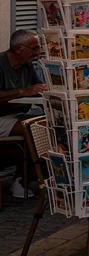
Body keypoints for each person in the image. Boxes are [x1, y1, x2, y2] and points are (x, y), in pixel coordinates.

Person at [0, 30, 46, 198]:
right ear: (18, 48)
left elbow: (36, 88)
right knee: (34, 128)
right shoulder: (1, 64)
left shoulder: (28, 66)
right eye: (33, 49)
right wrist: (23, 91)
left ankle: (25, 177)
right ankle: (21, 180)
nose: (37, 53)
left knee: (49, 126)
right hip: (2, 117)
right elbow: (26, 90)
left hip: (17, 115)